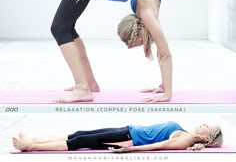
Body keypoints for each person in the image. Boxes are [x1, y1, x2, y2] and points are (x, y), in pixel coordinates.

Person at [48, 0, 171, 103]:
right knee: (60, 28)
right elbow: (165, 55)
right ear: (138, 33)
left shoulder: (149, 11)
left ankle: (89, 84)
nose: (129, 47)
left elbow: (163, 53)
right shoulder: (147, 12)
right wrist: (167, 94)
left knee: (66, 27)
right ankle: (83, 87)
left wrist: (164, 86)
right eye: (131, 43)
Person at [12, 121, 224, 153]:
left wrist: (130, 149)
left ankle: (30, 146)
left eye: (208, 127)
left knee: (79, 142)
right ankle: (37, 139)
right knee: (79, 134)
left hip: (128, 139)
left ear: (206, 139)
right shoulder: (185, 131)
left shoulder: (187, 140)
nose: (204, 124)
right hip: (128, 130)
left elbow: (160, 145)